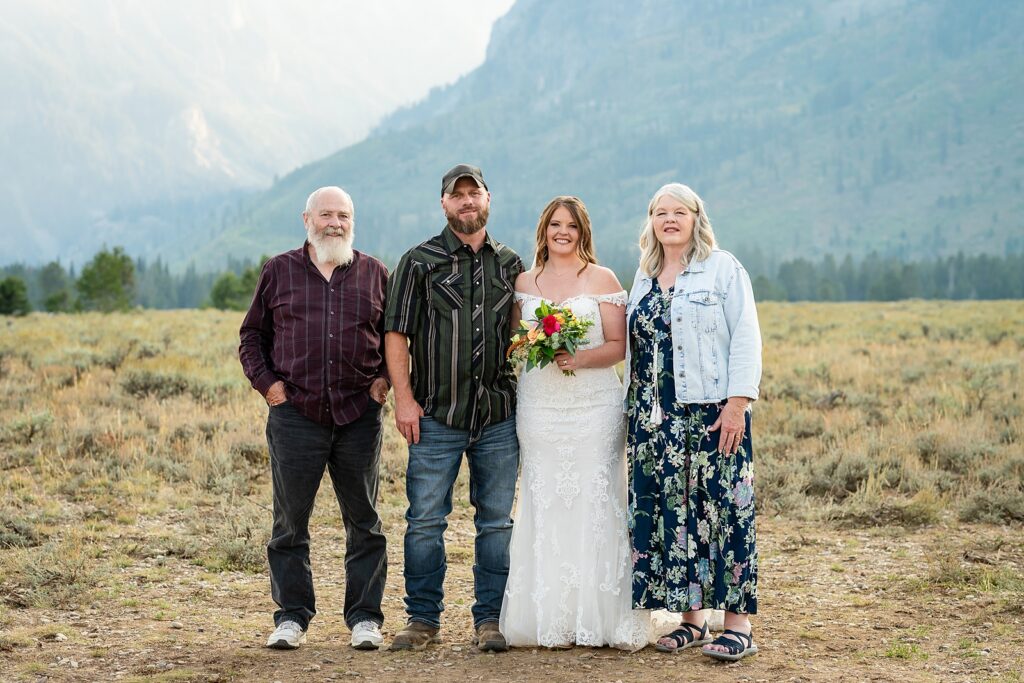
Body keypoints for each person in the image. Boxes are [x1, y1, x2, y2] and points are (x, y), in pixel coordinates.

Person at [239, 186, 390, 651]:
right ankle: (291, 617)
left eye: (343, 215)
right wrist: (269, 385)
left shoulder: (374, 273)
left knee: (364, 520)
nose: (335, 223)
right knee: (289, 522)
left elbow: (395, 337)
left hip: (357, 414)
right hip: (296, 416)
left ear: (353, 220)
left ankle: (364, 618)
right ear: (306, 218)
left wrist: (384, 381)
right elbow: (251, 337)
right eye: (326, 214)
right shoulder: (279, 270)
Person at [498, 196, 650, 650]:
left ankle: (600, 616)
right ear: (543, 230)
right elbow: (514, 342)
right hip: (540, 406)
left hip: (593, 408)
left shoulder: (601, 279)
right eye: (554, 225)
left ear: (583, 231)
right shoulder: (525, 281)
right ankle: (551, 616)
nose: (561, 232)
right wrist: (533, 344)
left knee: (595, 498)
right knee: (543, 498)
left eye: (570, 225)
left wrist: (577, 357)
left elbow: (620, 345)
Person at [384, 164, 524, 652]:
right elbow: (396, 334)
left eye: (474, 193)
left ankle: (491, 620)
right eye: (457, 195)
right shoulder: (418, 261)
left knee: (497, 522)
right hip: (435, 416)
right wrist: (404, 400)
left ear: (489, 199)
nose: (467, 201)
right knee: (424, 520)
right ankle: (423, 619)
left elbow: (522, 336)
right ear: (444, 203)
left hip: (498, 417)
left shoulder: (510, 264)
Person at [624, 183, 762, 661]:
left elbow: (746, 335)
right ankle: (691, 619)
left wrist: (737, 404)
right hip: (653, 418)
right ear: (652, 221)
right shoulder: (643, 276)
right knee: (673, 516)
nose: (669, 219)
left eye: (678, 211)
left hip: (710, 413)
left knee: (723, 511)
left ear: (696, 217)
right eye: (661, 212)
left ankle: (738, 625)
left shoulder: (722, 269)